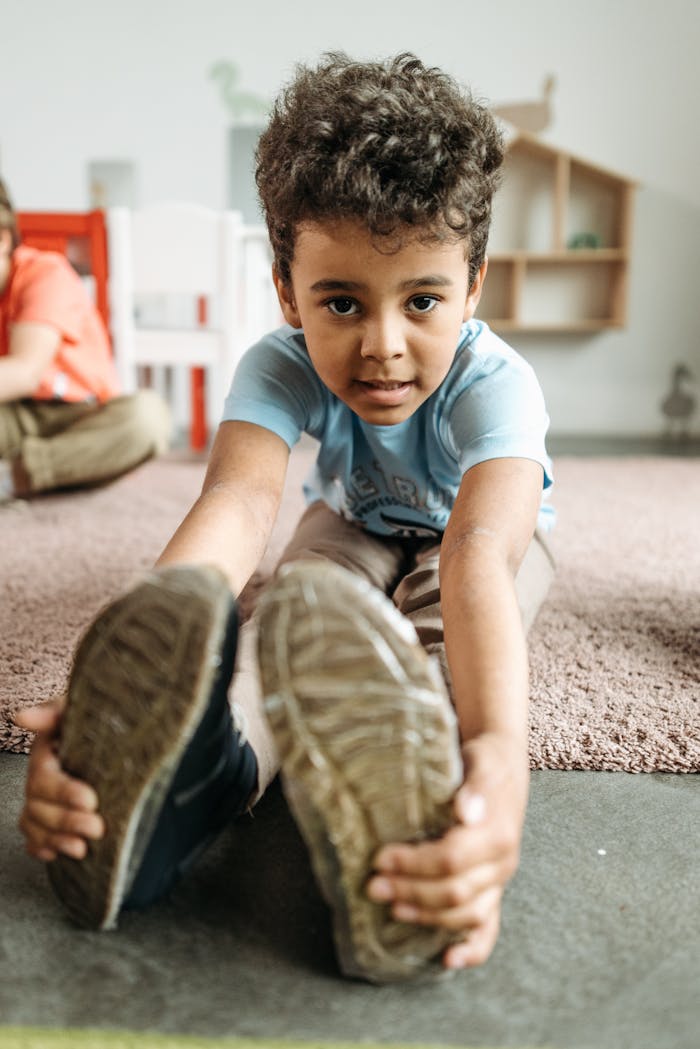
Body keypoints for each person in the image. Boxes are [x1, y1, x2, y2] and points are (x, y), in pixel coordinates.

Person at [16, 53, 555, 983]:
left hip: (480, 536)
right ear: (285, 289)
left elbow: (474, 555)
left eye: (422, 300)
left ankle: (424, 815)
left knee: (431, 637)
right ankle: (203, 773)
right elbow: (234, 501)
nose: (383, 344)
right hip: (347, 519)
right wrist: (131, 657)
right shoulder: (276, 362)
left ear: (473, 287)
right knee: (293, 610)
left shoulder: (498, 383)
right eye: (340, 302)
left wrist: (501, 757)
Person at [0, 178, 170, 500]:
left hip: (81, 415)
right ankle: (40, 476)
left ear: (3, 239)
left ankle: (15, 477)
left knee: (147, 419)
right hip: (11, 414)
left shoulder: (45, 272)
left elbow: (25, 372)